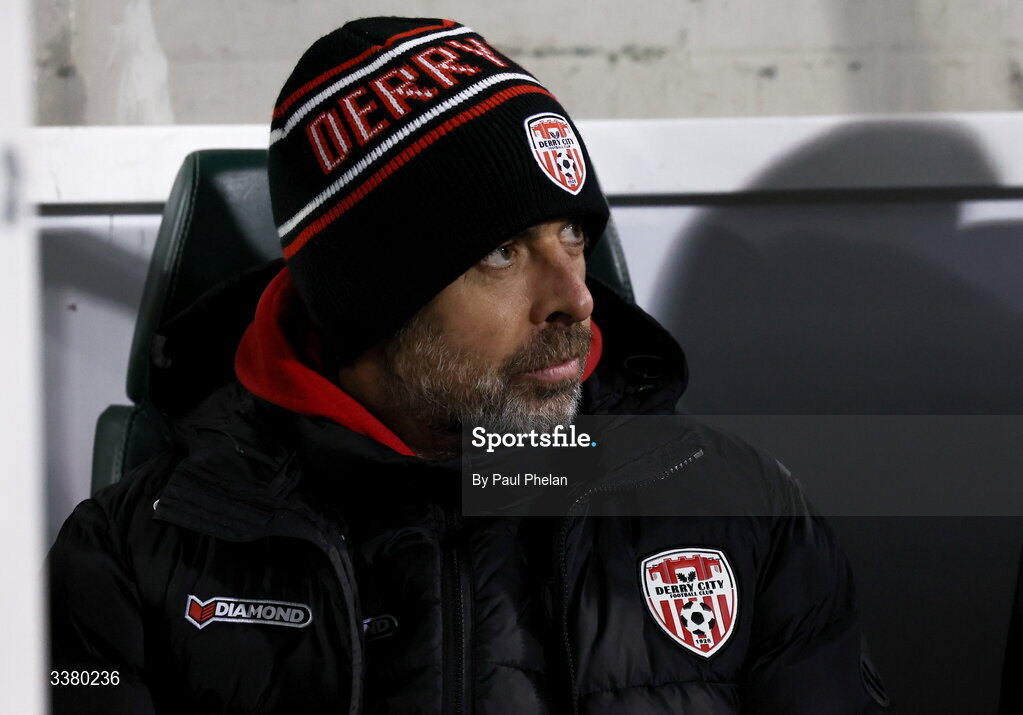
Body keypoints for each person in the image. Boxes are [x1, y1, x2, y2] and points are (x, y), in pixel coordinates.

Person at [49, 17, 888, 714]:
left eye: (573, 237)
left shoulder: (744, 514)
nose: (576, 298)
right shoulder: (123, 562)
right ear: (369, 299)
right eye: (499, 252)